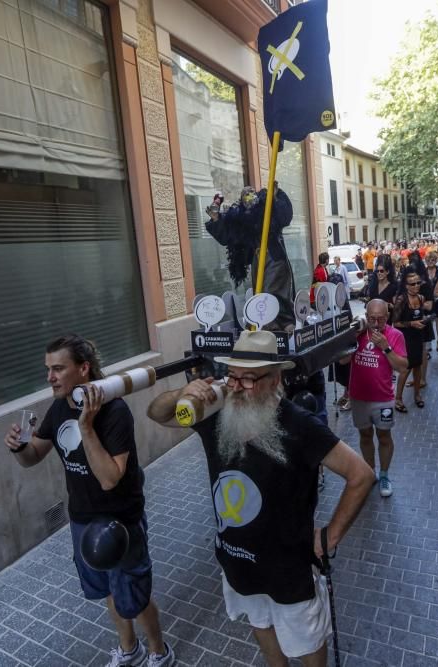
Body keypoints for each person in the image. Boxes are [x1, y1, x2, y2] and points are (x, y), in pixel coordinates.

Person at [147, 331, 375, 666]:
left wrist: (330, 536)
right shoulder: (215, 413)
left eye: (249, 379)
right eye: (233, 376)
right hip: (237, 562)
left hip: (288, 569)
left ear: (275, 378)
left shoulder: (300, 425)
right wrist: (181, 393)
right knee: (260, 624)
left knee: (307, 643)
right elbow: (157, 413)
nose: (237, 387)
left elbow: (361, 474)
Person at [4, 335, 174, 667]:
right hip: (83, 519)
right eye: (47, 369)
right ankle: (129, 650)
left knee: (134, 598)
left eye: (57, 369)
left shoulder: (114, 412)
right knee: (109, 591)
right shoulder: (59, 407)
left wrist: (87, 427)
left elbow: (110, 478)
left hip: (121, 519)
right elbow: (33, 457)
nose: (49, 377)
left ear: (83, 369)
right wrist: (19, 447)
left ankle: (158, 651)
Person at [339, 299, 408, 497]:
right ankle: (370, 473)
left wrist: (386, 347)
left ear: (387, 317)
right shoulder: (359, 334)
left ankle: (384, 475)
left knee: (384, 436)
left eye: (380, 319)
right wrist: (350, 337)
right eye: (372, 319)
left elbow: (402, 367)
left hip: (383, 398)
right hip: (359, 397)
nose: (376, 323)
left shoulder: (395, 335)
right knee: (365, 435)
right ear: (366, 316)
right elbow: (343, 360)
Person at [207, 185, 296, 330]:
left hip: (274, 257)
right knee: (260, 292)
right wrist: (216, 219)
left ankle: (279, 326)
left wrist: (276, 195)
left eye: (251, 191)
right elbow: (228, 237)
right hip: (257, 258)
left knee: (272, 292)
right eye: (245, 193)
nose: (248, 194)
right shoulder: (241, 218)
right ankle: (267, 327)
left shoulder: (268, 209)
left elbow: (285, 216)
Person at [392, 274, 430, 409]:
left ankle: (417, 395)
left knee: (418, 365)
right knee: (405, 368)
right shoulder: (401, 299)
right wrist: (411, 324)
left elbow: (420, 315)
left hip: (418, 336)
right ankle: (398, 399)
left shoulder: (421, 298)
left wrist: (424, 320)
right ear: (406, 286)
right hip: (405, 338)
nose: (416, 286)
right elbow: (395, 323)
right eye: (412, 284)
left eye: (418, 283)